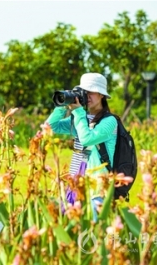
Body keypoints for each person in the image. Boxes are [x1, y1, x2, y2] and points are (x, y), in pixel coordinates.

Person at [45, 72, 117, 222]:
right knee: (73, 231)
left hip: (96, 188)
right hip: (75, 184)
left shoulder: (110, 121)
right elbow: (50, 127)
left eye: (91, 91)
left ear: (102, 95)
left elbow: (86, 139)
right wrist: (63, 106)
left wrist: (78, 112)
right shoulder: (80, 119)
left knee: (94, 231)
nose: (87, 95)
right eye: (85, 92)